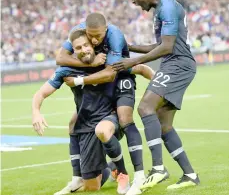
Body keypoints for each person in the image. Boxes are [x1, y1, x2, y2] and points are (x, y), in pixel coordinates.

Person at [32, 30, 155, 195]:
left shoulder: (108, 62)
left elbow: (141, 69)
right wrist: (36, 112)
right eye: (78, 48)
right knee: (92, 186)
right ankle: (106, 168)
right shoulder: (66, 70)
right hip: (87, 124)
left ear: (93, 46)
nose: (83, 50)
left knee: (102, 130)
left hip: (110, 118)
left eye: (86, 45)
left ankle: (123, 173)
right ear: (73, 52)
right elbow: (41, 93)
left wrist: (159, 88)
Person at [113, 0, 200, 191]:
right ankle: (190, 174)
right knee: (163, 124)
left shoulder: (167, 7)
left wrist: (133, 61)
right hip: (174, 64)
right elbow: (159, 44)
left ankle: (158, 169)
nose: (134, 2)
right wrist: (129, 47)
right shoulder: (160, 9)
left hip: (178, 64)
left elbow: (167, 47)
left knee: (145, 108)